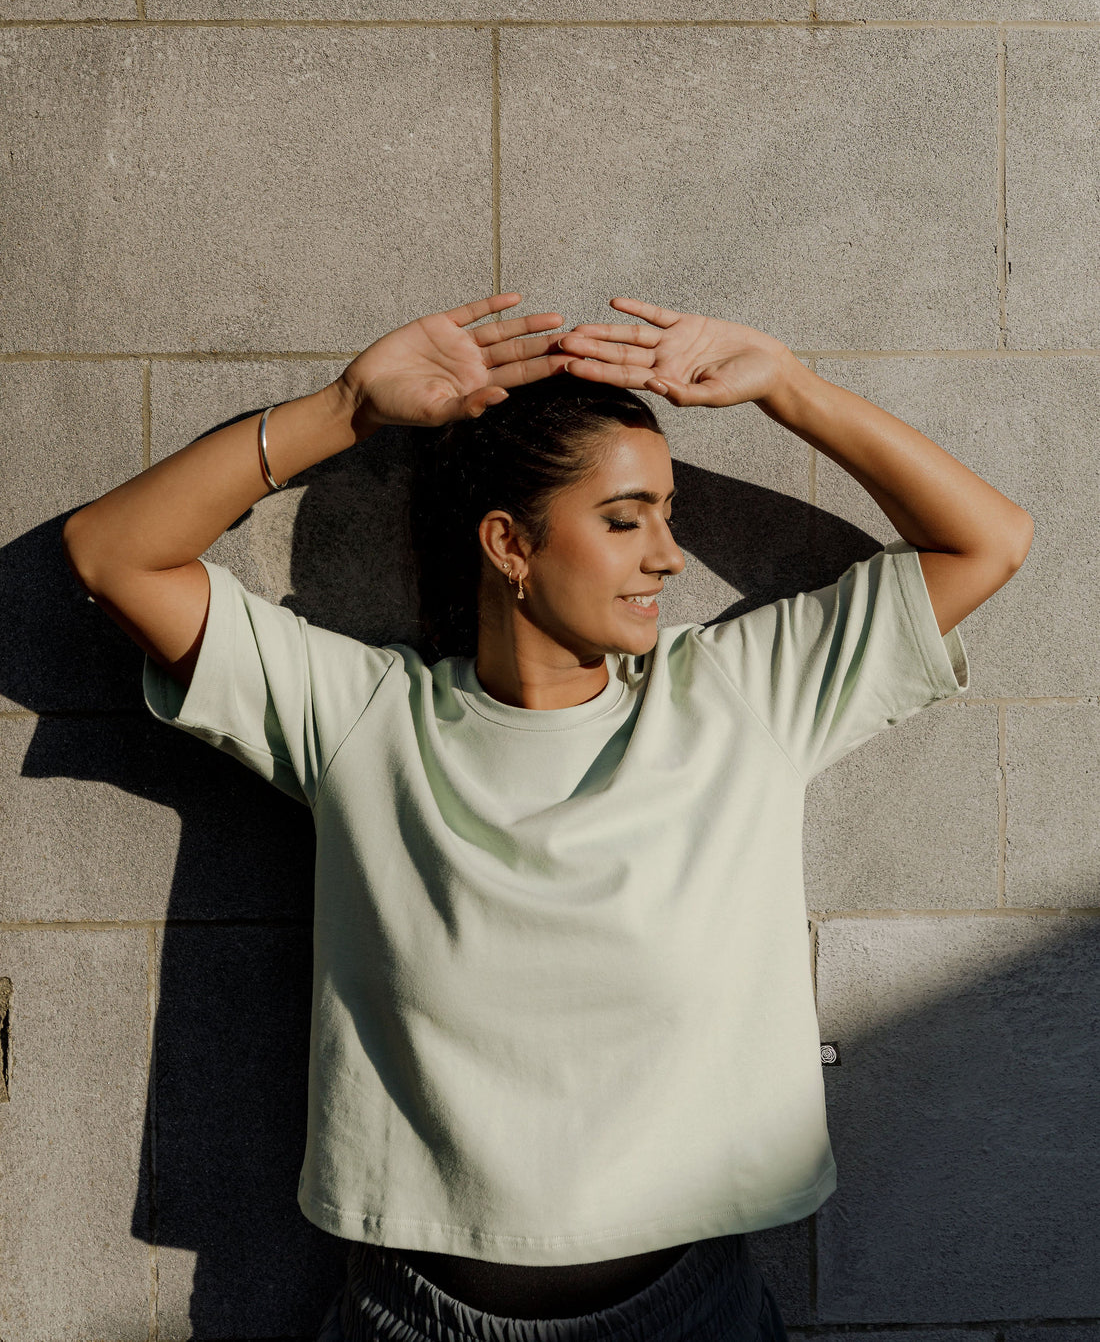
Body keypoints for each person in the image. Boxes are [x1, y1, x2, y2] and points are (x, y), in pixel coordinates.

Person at [61, 291, 1033, 1342]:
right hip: (415, 1318)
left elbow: (987, 541)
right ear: (508, 545)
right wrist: (345, 408)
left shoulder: (740, 699)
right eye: (624, 521)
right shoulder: (365, 718)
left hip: (684, 1314)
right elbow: (113, 553)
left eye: (667, 515)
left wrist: (791, 390)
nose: (666, 556)